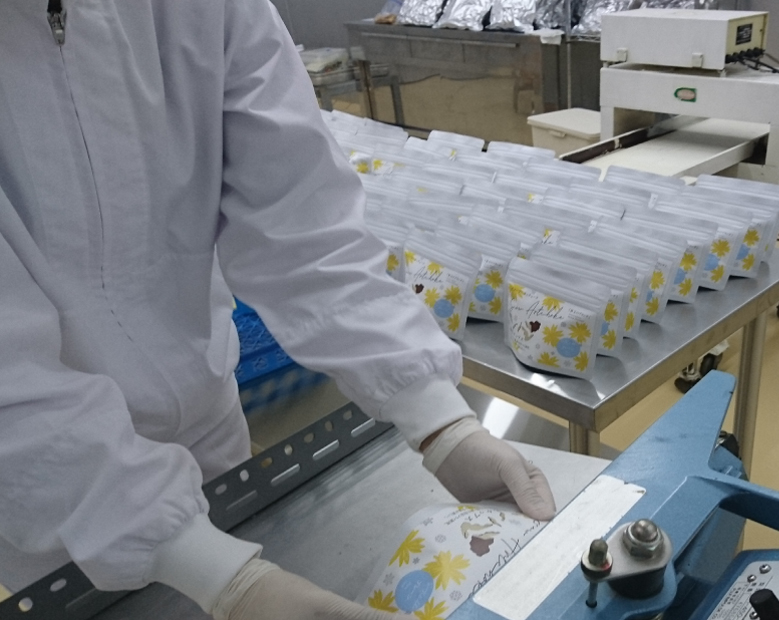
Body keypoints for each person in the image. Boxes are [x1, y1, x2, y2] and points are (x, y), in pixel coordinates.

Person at [0, 1, 556, 618]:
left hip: (209, 429)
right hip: (53, 488)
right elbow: (11, 389)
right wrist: (228, 581)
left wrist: (440, 422)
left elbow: (304, 227)